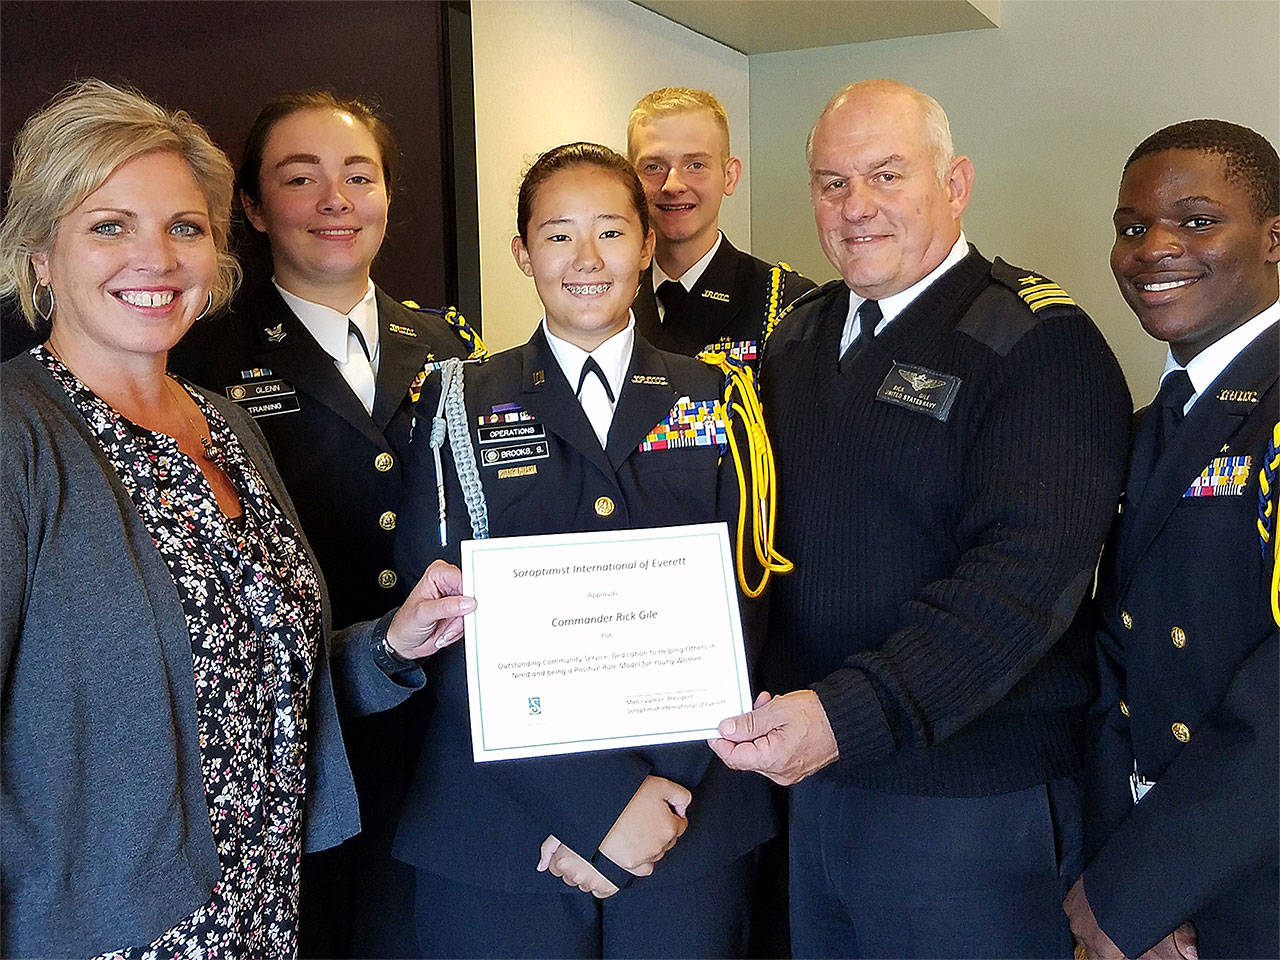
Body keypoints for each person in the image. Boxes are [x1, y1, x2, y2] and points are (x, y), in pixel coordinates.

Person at [0, 79, 472, 959]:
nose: (156, 256)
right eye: (110, 225)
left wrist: (390, 647)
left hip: (263, 907)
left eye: (183, 226)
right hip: (103, 930)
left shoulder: (226, 423)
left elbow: (253, 674)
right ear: (38, 253)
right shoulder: (18, 434)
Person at [709, 79, 1132, 958]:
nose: (855, 207)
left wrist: (848, 715)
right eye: (832, 182)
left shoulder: (1039, 342)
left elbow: (1020, 585)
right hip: (815, 780)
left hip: (968, 805)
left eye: (886, 175)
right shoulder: (797, 338)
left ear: (956, 183)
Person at [391, 142, 780, 958]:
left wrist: (647, 806)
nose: (586, 258)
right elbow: (445, 623)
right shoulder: (456, 397)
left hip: (688, 814)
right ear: (522, 253)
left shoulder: (718, 395)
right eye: (559, 234)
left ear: (646, 245)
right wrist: (597, 811)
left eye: (611, 230)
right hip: (502, 824)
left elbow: (746, 612)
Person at [167, 90, 483, 957]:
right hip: (305, 725)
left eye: (358, 176)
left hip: (446, 714)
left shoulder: (452, 343)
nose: (336, 201)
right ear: (254, 207)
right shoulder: (200, 357)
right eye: (301, 179)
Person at [1064, 120, 1280, 960]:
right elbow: (1117, 667)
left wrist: (1137, 889)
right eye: (1131, 226)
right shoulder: (1148, 426)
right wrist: (1119, 875)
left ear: (1272, 237)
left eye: (1196, 221)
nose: (1153, 249)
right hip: (1165, 890)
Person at [627, 87, 813, 367]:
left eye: (696, 165)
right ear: (629, 180)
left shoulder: (784, 303)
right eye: (653, 167)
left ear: (729, 176)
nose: (673, 185)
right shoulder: (610, 296)